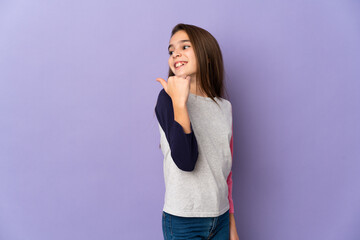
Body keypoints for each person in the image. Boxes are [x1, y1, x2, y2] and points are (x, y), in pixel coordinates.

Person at [155, 23, 239, 240]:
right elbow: (186, 161)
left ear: (207, 55)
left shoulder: (225, 108)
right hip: (184, 220)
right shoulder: (167, 100)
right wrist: (180, 103)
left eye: (185, 47)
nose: (176, 54)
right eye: (171, 50)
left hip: (220, 218)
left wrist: (231, 224)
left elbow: (225, 172)